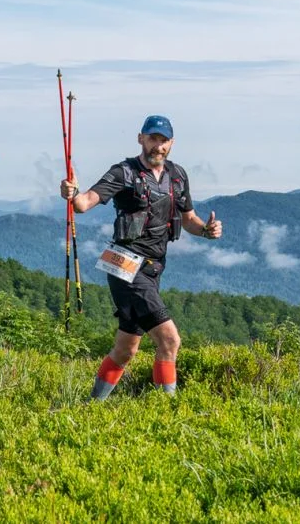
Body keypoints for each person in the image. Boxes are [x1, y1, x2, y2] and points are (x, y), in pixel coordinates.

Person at [60, 115, 222, 398]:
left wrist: (206, 231)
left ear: (171, 143)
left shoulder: (178, 176)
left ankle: (90, 407)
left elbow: (189, 220)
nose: (157, 146)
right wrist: (72, 193)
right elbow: (84, 203)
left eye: (163, 141)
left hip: (153, 268)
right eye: (152, 139)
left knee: (126, 349)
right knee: (170, 340)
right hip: (124, 263)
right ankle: (166, 413)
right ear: (140, 138)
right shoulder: (123, 172)